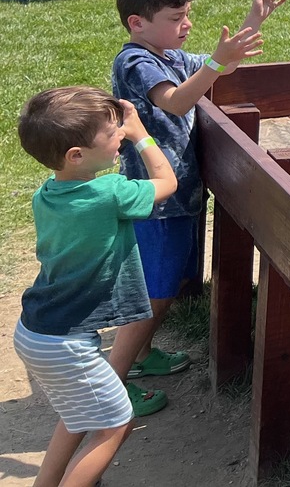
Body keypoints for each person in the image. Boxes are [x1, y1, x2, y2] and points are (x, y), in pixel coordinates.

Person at [110, 0, 286, 390]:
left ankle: (142, 354)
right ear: (137, 23)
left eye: (187, 14)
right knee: (152, 293)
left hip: (179, 194)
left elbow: (214, 69)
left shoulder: (169, 55)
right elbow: (176, 101)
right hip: (155, 200)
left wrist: (253, 20)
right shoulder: (135, 61)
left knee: (165, 286)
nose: (186, 24)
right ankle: (112, 388)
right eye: (176, 17)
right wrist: (217, 63)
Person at [13, 87, 179, 485]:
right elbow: (167, 180)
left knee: (77, 417)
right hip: (66, 344)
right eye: (112, 132)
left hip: (36, 331)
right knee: (115, 426)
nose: (119, 134)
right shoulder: (110, 193)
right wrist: (141, 134)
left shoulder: (46, 195)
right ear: (76, 155)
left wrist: (122, 133)